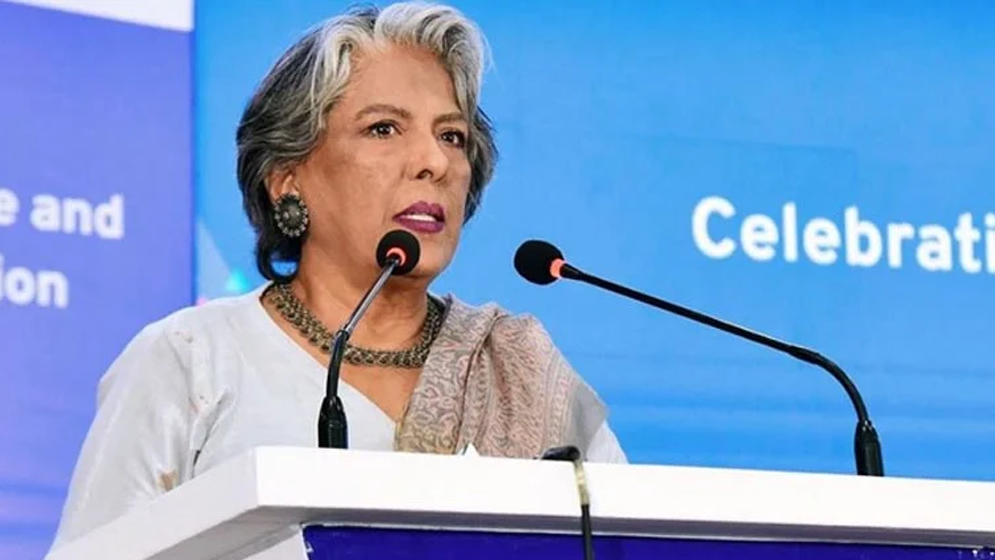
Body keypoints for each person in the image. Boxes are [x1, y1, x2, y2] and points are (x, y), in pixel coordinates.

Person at [49, 0, 626, 551]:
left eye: (452, 136)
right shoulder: (192, 360)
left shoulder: (517, 368)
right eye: (384, 129)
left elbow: (634, 538)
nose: (435, 161)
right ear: (287, 177)